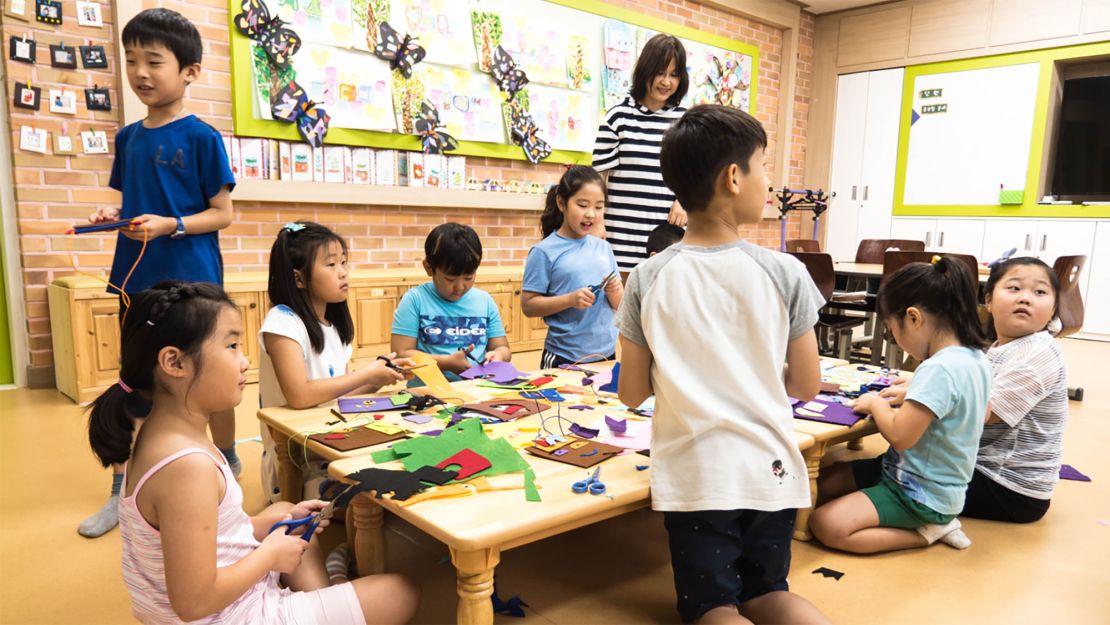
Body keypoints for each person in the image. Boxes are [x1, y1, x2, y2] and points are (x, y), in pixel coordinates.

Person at [87, 281, 419, 624]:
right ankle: (329, 593)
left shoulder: (161, 436)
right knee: (400, 591)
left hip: (228, 602)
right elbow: (193, 602)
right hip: (229, 615)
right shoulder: (187, 468)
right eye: (232, 346)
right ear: (174, 362)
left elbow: (208, 532)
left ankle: (326, 596)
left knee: (285, 512)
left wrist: (264, 527)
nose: (245, 362)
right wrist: (270, 556)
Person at [616, 105, 829, 625]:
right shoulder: (785, 271)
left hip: (698, 478)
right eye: (764, 167)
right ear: (734, 177)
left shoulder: (646, 277)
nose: (769, 182)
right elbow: (806, 384)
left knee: (714, 608)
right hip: (771, 469)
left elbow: (631, 393)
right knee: (768, 595)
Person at [80, 7, 237, 538]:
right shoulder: (128, 139)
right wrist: (114, 217)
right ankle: (124, 490)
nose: (140, 72)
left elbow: (222, 213)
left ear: (190, 71)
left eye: (154, 61)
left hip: (193, 282)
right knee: (137, 384)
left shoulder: (201, 138)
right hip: (136, 281)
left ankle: (228, 461)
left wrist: (171, 224)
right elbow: (133, 204)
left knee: (211, 381)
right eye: (131, 61)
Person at [810, 256, 992, 553]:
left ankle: (928, 531)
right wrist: (919, 398)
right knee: (827, 482)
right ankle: (929, 521)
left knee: (826, 524)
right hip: (919, 479)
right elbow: (979, 412)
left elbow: (900, 436)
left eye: (892, 331)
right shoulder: (975, 358)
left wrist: (874, 404)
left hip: (918, 494)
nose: (894, 340)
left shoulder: (937, 369)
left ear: (914, 318)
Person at [882, 257, 1066, 523]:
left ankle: (930, 527)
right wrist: (921, 387)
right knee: (884, 466)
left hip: (1008, 486)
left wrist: (930, 393)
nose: (1025, 298)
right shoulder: (1003, 347)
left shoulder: (1038, 354)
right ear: (988, 301)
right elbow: (972, 387)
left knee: (888, 473)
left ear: (1053, 310)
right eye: (1014, 288)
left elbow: (979, 412)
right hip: (985, 468)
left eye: (1039, 292)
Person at [259, 221, 410, 503]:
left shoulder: (335, 327)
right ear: (299, 278)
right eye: (330, 265)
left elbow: (336, 399)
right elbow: (300, 395)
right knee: (373, 496)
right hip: (296, 462)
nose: (343, 272)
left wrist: (375, 381)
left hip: (330, 443)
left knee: (403, 474)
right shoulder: (282, 321)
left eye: (343, 262)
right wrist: (364, 374)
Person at [593, 33, 690, 276]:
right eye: (660, 72)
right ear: (645, 71)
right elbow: (597, 181)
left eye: (674, 74)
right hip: (619, 241)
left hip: (669, 244)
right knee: (621, 312)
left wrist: (684, 201)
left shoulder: (686, 122)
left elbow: (699, 175)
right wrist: (597, 223)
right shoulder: (617, 118)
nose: (666, 81)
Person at [521, 166, 623, 368]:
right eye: (583, 205)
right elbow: (528, 305)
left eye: (599, 207)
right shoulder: (544, 252)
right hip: (564, 356)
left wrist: (615, 290)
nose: (591, 214)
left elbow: (620, 305)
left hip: (606, 355)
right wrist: (569, 299)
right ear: (561, 202)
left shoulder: (603, 248)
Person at [391, 223, 511, 381]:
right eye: (450, 279)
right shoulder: (415, 300)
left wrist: (498, 356)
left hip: (479, 389)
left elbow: (502, 348)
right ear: (428, 268)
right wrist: (446, 363)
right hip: (428, 394)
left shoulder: (485, 301)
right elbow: (401, 354)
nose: (460, 287)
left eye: (469, 278)